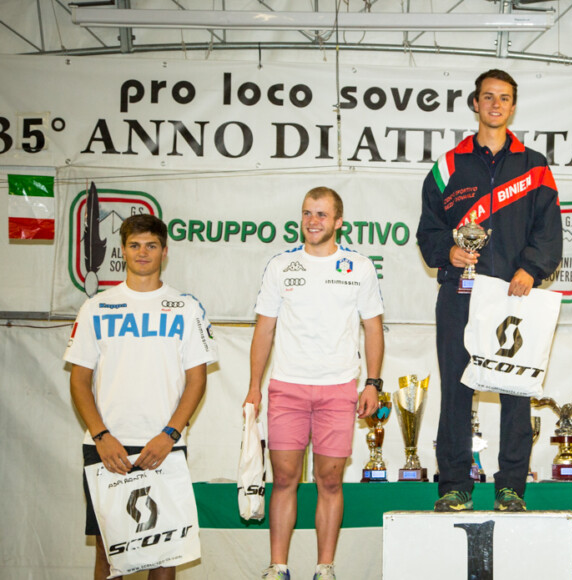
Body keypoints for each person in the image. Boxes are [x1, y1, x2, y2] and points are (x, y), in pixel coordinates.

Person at [416, 69, 562, 512]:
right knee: (456, 391)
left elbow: (549, 231)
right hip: (459, 294)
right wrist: (449, 252)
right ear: (475, 104)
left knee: (516, 391)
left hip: (516, 295)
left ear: (513, 106)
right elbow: (428, 231)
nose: (495, 104)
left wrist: (531, 270)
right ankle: (455, 485)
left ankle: (511, 486)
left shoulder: (535, 165)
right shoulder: (448, 165)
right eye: (488, 97)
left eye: (504, 98)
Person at [66, 214, 217, 580]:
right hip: (107, 447)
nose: (143, 252)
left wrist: (170, 435)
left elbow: (196, 381)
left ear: (165, 252)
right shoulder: (96, 306)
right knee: (109, 552)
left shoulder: (186, 308)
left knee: (165, 553)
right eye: (135, 245)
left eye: (151, 245)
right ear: (123, 251)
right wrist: (101, 436)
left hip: (163, 445)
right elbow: (79, 381)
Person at [244, 187, 385, 580]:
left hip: (338, 389)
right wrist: (254, 386)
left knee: (330, 481)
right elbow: (264, 329)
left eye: (322, 214)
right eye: (307, 213)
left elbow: (373, 328)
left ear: (339, 221)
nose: (312, 221)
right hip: (287, 387)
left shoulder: (359, 267)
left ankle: (325, 568)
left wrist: (372, 383)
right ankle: (278, 567)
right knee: (284, 479)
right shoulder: (280, 266)